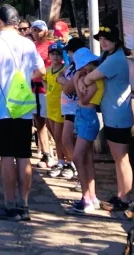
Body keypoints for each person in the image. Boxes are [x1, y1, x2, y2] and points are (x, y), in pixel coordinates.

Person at [0, 5, 45, 222]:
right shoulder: (28, 43)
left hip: (1, 109)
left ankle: (9, 205)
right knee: (24, 156)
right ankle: (24, 205)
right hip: (23, 106)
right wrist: (24, 78)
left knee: (6, 157)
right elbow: (41, 71)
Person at [82, 25, 133, 211]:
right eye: (100, 38)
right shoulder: (107, 56)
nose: (103, 42)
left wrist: (83, 79)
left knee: (121, 159)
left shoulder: (115, 59)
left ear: (117, 41)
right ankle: (121, 195)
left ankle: (125, 198)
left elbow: (90, 78)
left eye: (107, 39)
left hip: (118, 115)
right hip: (112, 115)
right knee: (117, 157)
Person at [69, 48, 104, 214]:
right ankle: (92, 196)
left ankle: (86, 198)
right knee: (87, 157)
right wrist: (79, 79)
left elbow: (83, 98)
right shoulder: (87, 78)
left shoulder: (95, 81)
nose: (84, 69)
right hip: (82, 116)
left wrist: (77, 81)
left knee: (77, 157)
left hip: (88, 118)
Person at [55, 37, 85, 181]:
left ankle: (80, 170)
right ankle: (78, 167)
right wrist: (62, 80)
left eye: (71, 52)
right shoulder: (73, 65)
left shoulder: (82, 67)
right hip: (67, 110)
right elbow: (60, 75)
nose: (70, 54)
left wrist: (64, 82)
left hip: (76, 109)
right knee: (67, 140)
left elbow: (68, 88)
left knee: (67, 139)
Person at [30, 20, 54, 168]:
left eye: (39, 30)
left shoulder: (51, 47)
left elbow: (54, 66)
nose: (36, 33)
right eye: (34, 30)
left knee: (51, 123)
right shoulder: (30, 46)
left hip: (47, 89)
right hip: (33, 88)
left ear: (45, 31)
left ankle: (62, 155)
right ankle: (46, 153)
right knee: (39, 123)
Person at [45, 44, 70, 178]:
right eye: (52, 54)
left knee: (62, 137)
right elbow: (46, 83)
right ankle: (60, 161)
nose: (55, 56)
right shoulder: (48, 70)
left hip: (61, 107)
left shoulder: (64, 70)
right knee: (55, 136)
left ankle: (69, 162)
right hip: (51, 107)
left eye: (58, 54)